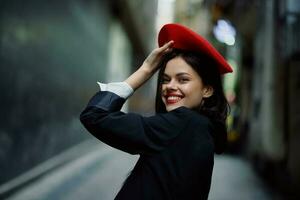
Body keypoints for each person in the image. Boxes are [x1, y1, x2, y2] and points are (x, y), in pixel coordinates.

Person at [80, 23, 233, 200]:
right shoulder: (205, 129)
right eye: (165, 80)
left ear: (207, 89)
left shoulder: (183, 122)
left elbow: (94, 115)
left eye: (183, 80)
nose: (170, 87)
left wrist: (145, 70)